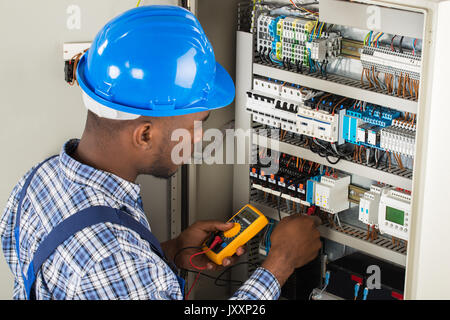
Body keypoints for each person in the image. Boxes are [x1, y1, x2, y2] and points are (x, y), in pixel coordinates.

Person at [0, 5, 321, 300]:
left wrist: (170, 250)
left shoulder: (39, 179)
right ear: (145, 134)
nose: (199, 139)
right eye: (195, 125)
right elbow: (113, 269)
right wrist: (279, 265)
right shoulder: (115, 256)